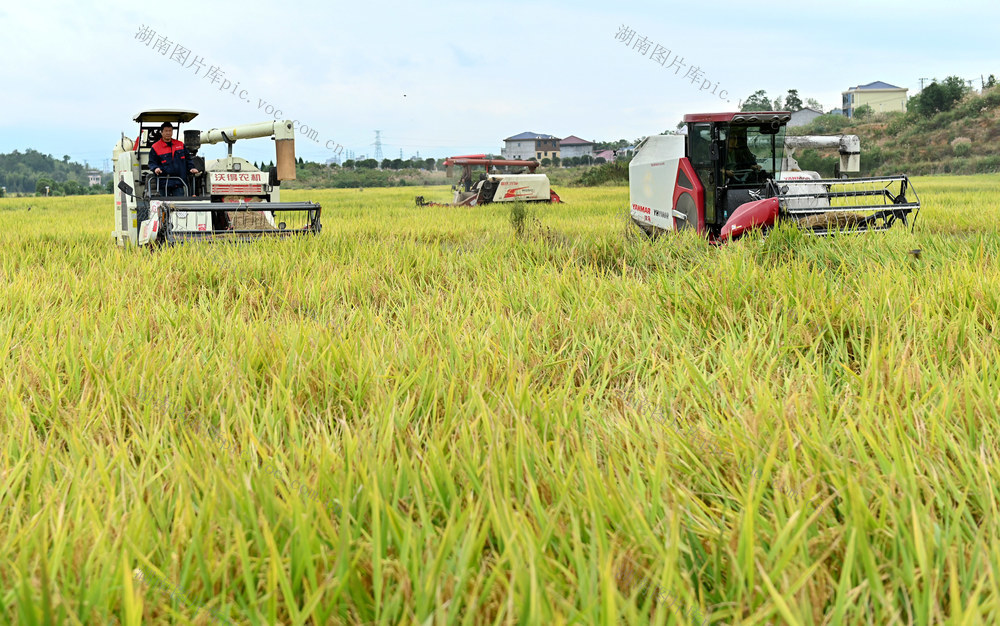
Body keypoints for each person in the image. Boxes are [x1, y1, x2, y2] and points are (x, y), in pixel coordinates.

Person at [148, 121, 199, 196]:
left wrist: (191, 168)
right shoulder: (155, 147)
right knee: (164, 205)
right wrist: (156, 168)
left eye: (170, 131)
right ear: (161, 132)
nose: (168, 133)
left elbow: (188, 159)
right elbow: (152, 163)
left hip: (179, 181)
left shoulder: (180, 145)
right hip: (164, 182)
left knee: (180, 204)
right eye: (166, 131)